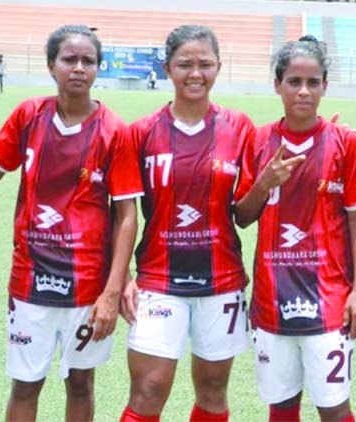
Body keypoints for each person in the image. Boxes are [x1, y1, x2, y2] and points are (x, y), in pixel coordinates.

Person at [0, 25, 142, 421]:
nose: (79, 68)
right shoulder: (28, 116)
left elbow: (126, 218)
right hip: (30, 278)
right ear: (52, 66)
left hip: (87, 283)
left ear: (98, 69)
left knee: (81, 382)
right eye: (70, 59)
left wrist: (111, 291)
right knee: (25, 384)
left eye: (88, 61)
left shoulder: (114, 131)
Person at [119, 24, 255, 422]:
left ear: (219, 67)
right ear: (166, 68)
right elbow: (123, 214)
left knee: (213, 391)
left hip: (222, 280)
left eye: (205, 64)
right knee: (148, 390)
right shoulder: (141, 132)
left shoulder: (240, 128)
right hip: (159, 279)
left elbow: (245, 213)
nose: (195, 73)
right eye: (184, 64)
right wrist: (124, 276)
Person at [234, 35, 356, 422]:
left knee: (334, 407)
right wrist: (264, 184)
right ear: (277, 84)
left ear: (325, 86)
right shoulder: (259, 140)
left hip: (329, 297)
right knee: (280, 405)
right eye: (294, 81)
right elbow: (242, 216)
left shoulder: (344, 143)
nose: (303, 91)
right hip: (272, 295)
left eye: (313, 82)